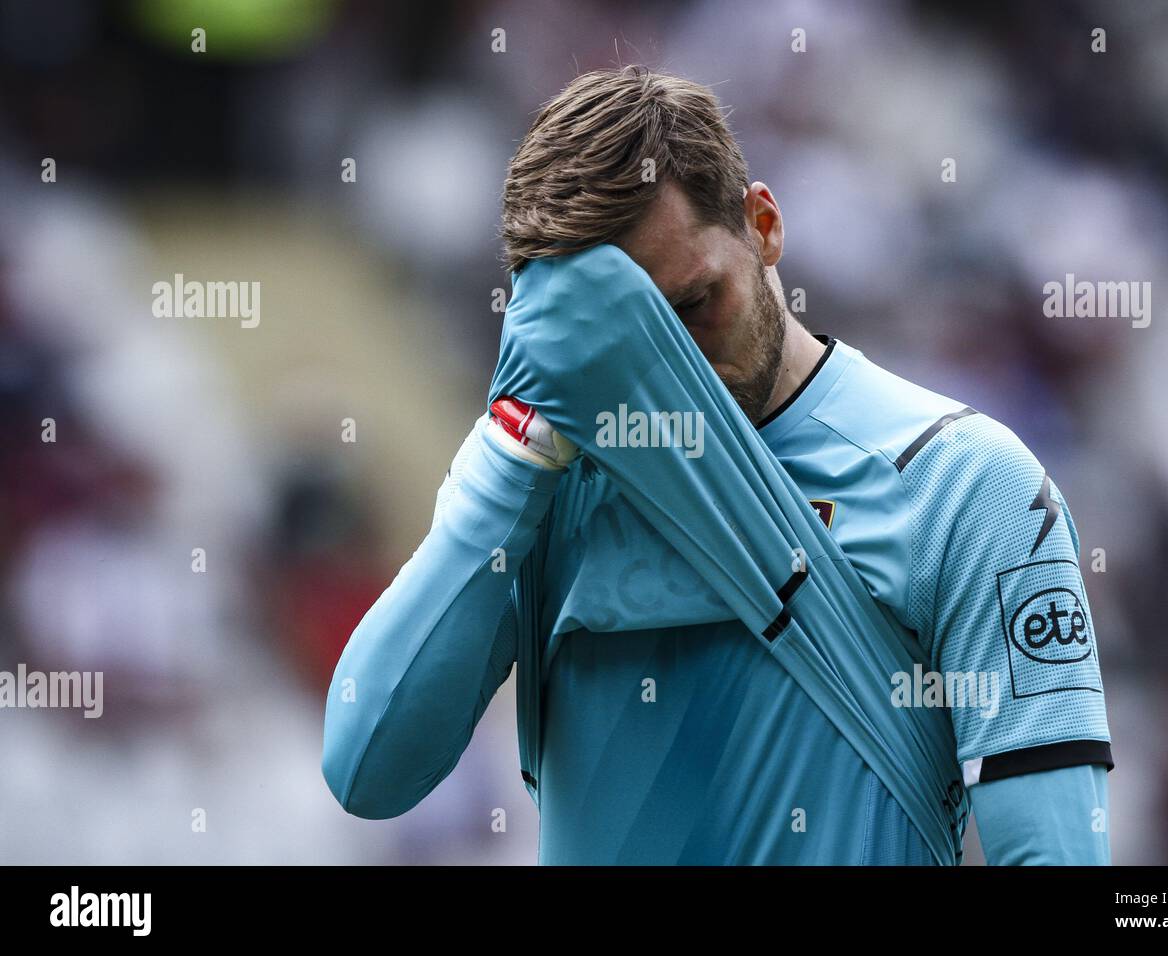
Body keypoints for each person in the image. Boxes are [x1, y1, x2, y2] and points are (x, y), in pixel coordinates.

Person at [322, 66, 1112, 865]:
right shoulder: (543, 486)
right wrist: (514, 456)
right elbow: (365, 774)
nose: (679, 374)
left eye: (693, 307)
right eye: (627, 344)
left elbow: (1053, 854)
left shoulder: (963, 485)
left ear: (762, 225)